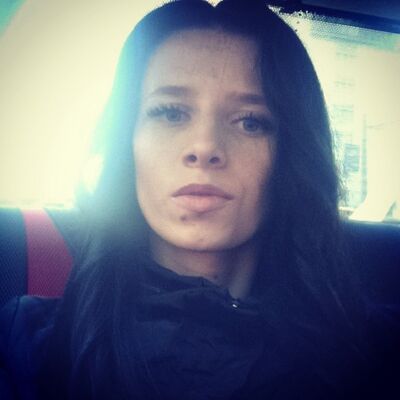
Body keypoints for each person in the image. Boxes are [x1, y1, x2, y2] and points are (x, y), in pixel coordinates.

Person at [1, 0, 399, 399]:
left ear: (290, 155)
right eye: (171, 113)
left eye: (250, 121)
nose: (205, 147)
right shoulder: (26, 346)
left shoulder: (375, 353)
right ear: (127, 141)